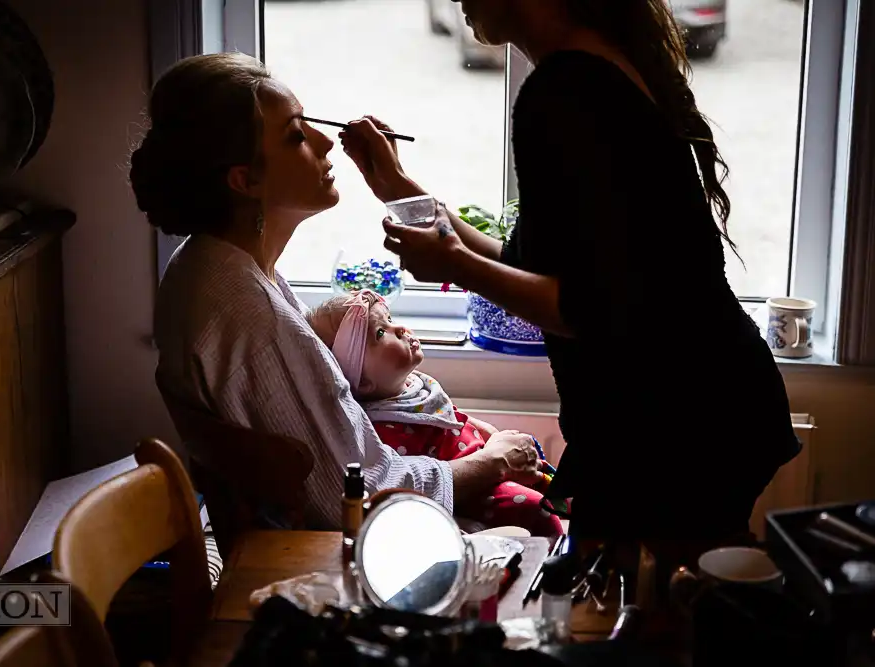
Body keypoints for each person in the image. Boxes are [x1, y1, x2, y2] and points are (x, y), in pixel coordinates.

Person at [338, 0, 801, 541]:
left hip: (678, 420)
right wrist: (402, 191)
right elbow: (535, 267)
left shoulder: (564, 92)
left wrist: (453, 265)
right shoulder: (598, 68)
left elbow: (587, 307)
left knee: (660, 607)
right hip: (709, 400)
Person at [132, 53, 545, 530]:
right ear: (245, 180)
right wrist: (493, 461)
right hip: (328, 563)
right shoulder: (253, 318)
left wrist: (394, 185)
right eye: (296, 136)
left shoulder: (204, 265)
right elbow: (358, 501)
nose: (326, 142)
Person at [308, 289, 566, 536]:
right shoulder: (383, 427)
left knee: (555, 482)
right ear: (362, 382)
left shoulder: (414, 385)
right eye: (380, 333)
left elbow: (448, 415)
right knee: (536, 508)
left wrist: (487, 432)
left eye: (390, 319)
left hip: (485, 457)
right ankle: (554, 569)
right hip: (473, 489)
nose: (400, 329)